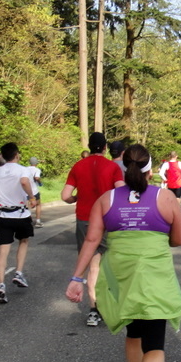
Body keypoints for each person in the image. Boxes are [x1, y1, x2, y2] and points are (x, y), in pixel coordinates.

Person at [65, 144, 181, 362]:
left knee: (133, 334)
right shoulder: (165, 196)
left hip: (121, 277)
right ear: (149, 168)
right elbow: (179, 240)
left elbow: (92, 240)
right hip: (154, 278)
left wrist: (76, 278)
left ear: (123, 168)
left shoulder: (106, 200)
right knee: (154, 343)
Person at [62, 132, 125, 326]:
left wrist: (76, 198)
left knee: (93, 266)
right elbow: (121, 192)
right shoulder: (113, 167)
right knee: (111, 264)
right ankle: (114, 305)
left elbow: (65, 196)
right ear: (105, 148)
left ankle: (93, 310)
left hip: (84, 220)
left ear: (89, 147)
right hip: (107, 220)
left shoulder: (78, 166)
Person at [0, 142, 36, 304]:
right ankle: (18, 272)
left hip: (3, 215)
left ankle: (0, 285)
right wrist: (31, 197)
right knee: (24, 241)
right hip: (21, 214)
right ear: (16, 155)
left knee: (3, 251)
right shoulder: (22, 169)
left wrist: (0, 192)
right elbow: (24, 182)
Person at [25, 157, 43, 228]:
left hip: (25, 190)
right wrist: (40, 182)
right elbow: (37, 178)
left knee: (27, 205)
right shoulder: (37, 170)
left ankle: (28, 221)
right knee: (38, 204)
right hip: (34, 190)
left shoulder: (25, 169)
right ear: (36, 163)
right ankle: (38, 221)